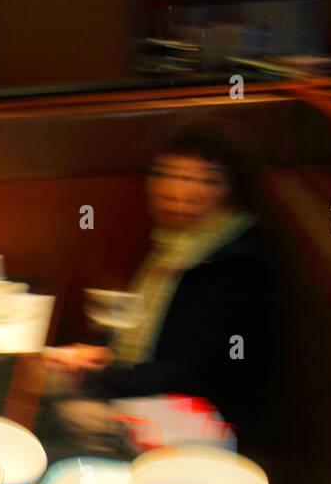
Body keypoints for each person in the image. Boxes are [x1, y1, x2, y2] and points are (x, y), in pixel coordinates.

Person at [43, 121, 276, 455]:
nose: (176, 191)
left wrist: (96, 374)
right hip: (154, 390)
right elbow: (161, 345)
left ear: (233, 190)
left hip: (198, 422)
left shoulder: (232, 265)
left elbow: (182, 376)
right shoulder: (180, 244)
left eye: (205, 180)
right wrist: (101, 355)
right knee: (38, 376)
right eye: (165, 174)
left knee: (51, 412)